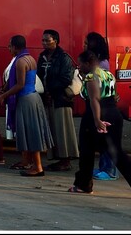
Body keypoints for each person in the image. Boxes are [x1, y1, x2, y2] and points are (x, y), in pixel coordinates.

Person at [68, 51, 131, 198]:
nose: (78, 67)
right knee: (115, 151)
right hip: (114, 113)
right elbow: (115, 96)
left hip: (96, 114)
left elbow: (94, 99)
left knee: (86, 150)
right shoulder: (108, 74)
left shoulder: (91, 77)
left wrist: (97, 120)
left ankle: (84, 185)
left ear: (88, 63)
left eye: (80, 64)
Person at [0, 35, 54, 177]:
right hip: (33, 97)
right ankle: (33, 164)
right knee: (32, 133)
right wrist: (6, 87)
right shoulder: (30, 58)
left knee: (31, 134)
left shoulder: (20, 62)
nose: (9, 48)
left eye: (10, 46)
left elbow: (20, 84)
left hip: (26, 100)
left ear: (15, 47)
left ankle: (38, 167)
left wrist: (3, 95)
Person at [37, 29, 79, 172]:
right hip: (48, 99)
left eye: (47, 40)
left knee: (63, 130)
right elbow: (39, 76)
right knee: (53, 129)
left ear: (56, 40)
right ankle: (58, 159)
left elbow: (66, 78)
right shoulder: (42, 56)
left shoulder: (63, 57)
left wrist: (50, 90)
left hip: (61, 99)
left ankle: (65, 160)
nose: (44, 43)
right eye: (43, 40)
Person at [84, 32, 118, 181]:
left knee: (106, 138)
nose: (84, 45)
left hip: (103, 105)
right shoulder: (98, 61)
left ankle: (110, 170)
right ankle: (104, 167)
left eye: (86, 43)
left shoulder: (101, 64)